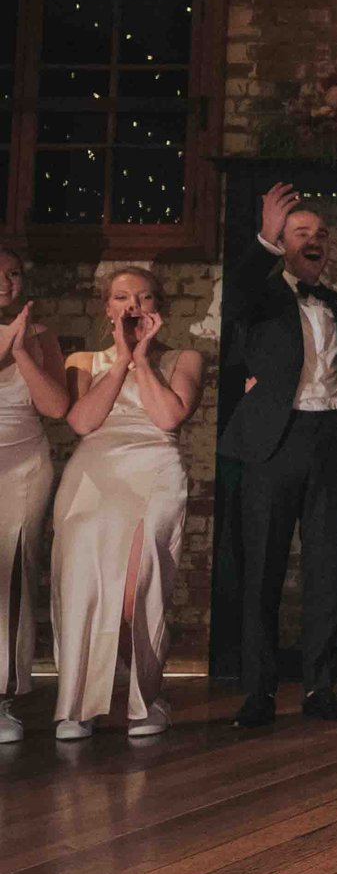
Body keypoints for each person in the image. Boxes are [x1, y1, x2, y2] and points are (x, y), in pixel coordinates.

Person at [220, 183, 337, 729]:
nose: (313, 240)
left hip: (332, 441)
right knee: (263, 570)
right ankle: (259, 692)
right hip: (274, 441)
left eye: (320, 233)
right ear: (283, 242)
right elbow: (235, 295)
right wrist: (265, 238)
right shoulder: (262, 295)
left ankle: (320, 687)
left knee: (326, 571)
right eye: (301, 232)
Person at [52, 267, 203, 740]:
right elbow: (83, 422)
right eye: (122, 297)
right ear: (108, 307)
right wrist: (120, 359)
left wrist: (141, 359)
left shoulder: (184, 357)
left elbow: (167, 417)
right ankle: (78, 704)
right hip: (95, 473)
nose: (133, 305)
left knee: (136, 591)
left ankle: (147, 698)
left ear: (160, 308)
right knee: (82, 587)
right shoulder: (84, 360)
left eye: (144, 297)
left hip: (154, 468)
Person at [0, 246, 69, 744]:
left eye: (14, 273)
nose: (6, 282)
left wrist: (23, 349)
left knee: (15, 576)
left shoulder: (41, 334)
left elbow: (57, 406)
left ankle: (3, 696)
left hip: (23, 465)